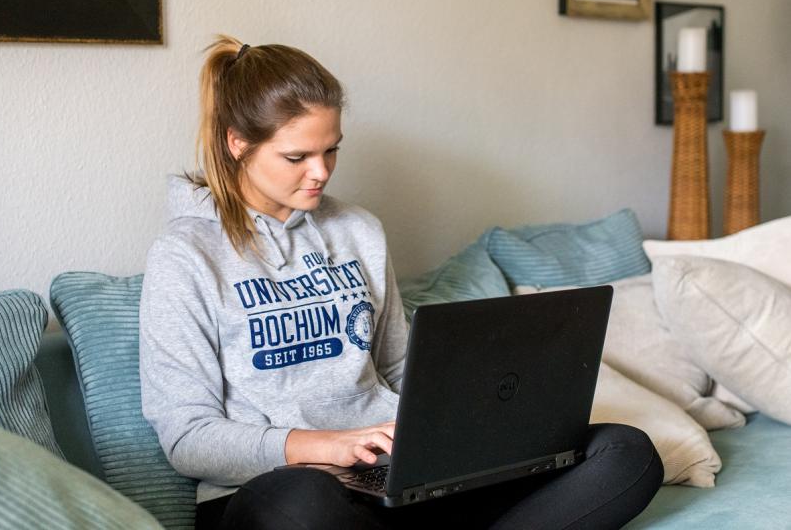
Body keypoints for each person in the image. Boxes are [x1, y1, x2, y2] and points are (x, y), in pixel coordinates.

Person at [139, 35, 663, 530]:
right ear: (237, 144)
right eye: (297, 157)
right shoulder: (186, 256)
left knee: (625, 453)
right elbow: (188, 438)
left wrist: (474, 430)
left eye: (332, 150)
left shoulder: (358, 230)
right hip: (278, 489)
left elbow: (396, 368)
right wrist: (328, 446)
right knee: (299, 506)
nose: (321, 172)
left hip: (396, 476)